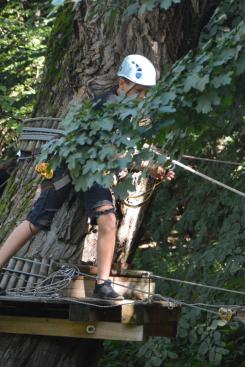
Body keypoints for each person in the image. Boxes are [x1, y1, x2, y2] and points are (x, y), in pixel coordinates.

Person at [0, 55, 174, 300]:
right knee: (37, 219)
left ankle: (103, 285)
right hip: (64, 163)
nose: (142, 97)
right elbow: (116, 152)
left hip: (91, 170)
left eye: (146, 92)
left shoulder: (131, 113)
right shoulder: (105, 104)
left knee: (108, 219)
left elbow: (125, 151)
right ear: (122, 83)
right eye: (139, 91)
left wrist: (153, 167)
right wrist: (146, 165)